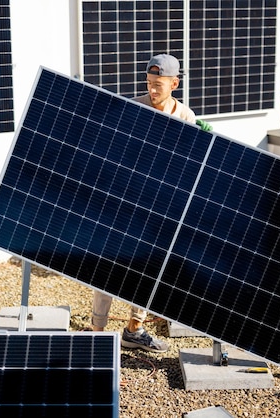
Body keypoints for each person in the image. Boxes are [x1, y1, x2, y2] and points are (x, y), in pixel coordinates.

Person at [91, 54, 212, 353]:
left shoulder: (186, 117)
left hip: (158, 205)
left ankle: (134, 329)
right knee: (108, 265)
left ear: (175, 83)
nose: (152, 90)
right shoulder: (132, 108)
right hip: (125, 199)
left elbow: (185, 165)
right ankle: (96, 332)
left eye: (158, 84)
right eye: (149, 83)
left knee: (147, 269)